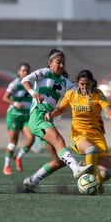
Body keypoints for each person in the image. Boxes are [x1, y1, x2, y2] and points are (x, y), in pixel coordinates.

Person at [21, 49, 94, 193]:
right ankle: (76, 169)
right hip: (37, 116)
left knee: (59, 161)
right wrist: (33, 93)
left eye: (63, 63)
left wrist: (90, 90)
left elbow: (77, 94)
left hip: (47, 119)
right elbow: (25, 80)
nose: (61, 65)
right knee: (59, 141)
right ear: (50, 63)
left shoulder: (65, 82)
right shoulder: (44, 73)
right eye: (58, 62)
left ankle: (32, 181)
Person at [47, 69, 111, 194]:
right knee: (91, 149)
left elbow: (109, 112)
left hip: (97, 136)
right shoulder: (71, 94)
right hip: (78, 135)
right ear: (78, 83)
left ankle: (97, 183)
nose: (84, 87)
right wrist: (51, 114)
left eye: (87, 84)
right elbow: (60, 109)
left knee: (107, 173)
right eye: (82, 84)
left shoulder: (98, 94)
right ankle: (89, 182)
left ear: (92, 83)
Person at [2, 63, 35, 175]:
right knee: (13, 143)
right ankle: (6, 166)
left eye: (27, 71)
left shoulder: (31, 84)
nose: (25, 73)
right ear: (19, 72)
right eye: (23, 71)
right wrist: (15, 103)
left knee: (31, 139)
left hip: (26, 116)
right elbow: (5, 98)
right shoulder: (15, 83)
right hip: (14, 116)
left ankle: (18, 157)